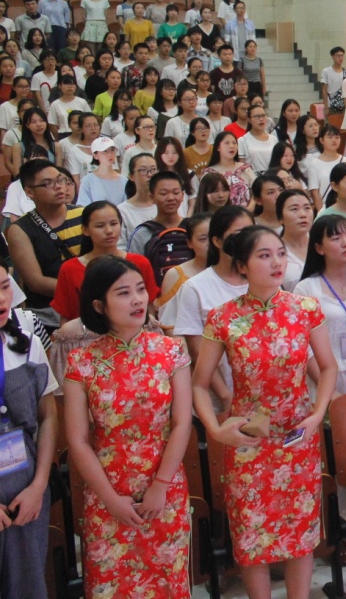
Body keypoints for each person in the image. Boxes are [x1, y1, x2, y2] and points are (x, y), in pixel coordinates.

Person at [193, 226, 337, 599]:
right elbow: (198, 384)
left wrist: (317, 413)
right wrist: (215, 430)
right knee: (251, 535)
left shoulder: (305, 308)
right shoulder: (222, 317)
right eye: (264, 255)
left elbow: (328, 368)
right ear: (242, 265)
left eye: (280, 253)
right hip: (247, 441)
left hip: (298, 436)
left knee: (300, 532)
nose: (276, 262)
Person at [63, 257, 192, 599]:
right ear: (98, 305)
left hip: (164, 488)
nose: (137, 300)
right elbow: (77, 440)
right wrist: (109, 499)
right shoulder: (82, 362)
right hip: (107, 492)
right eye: (123, 293)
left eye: (140, 290)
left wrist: (160, 486)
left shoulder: (171, 351)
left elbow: (181, 423)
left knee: (168, 583)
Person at [0, 263, 58, 599]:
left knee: (27, 583)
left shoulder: (26, 343)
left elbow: (48, 417)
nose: (2, 298)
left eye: (5, 286)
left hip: (25, 485)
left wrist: (39, 485)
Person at [163, 206, 254, 411]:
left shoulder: (261, 279)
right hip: (219, 399)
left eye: (251, 233)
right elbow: (196, 351)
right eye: (239, 234)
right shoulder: (195, 288)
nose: (247, 241)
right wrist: (225, 396)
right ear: (217, 241)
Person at [295, 215, 346, 397]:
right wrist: (330, 392)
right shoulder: (306, 289)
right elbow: (303, 346)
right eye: (336, 238)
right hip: (322, 385)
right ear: (319, 248)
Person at [50, 200, 159, 323]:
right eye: (100, 226)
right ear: (85, 230)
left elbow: (149, 307)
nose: (109, 231)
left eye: (114, 223)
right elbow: (66, 316)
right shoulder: (70, 269)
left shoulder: (139, 263)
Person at [8, 160, 84, 330]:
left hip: (90, 306)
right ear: (29, 192)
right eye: (48, 183)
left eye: (60, 180)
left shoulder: (84, 215)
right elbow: (36, 282)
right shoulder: (20, 229)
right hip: (49, 314)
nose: (58, 187)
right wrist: (83, 289)